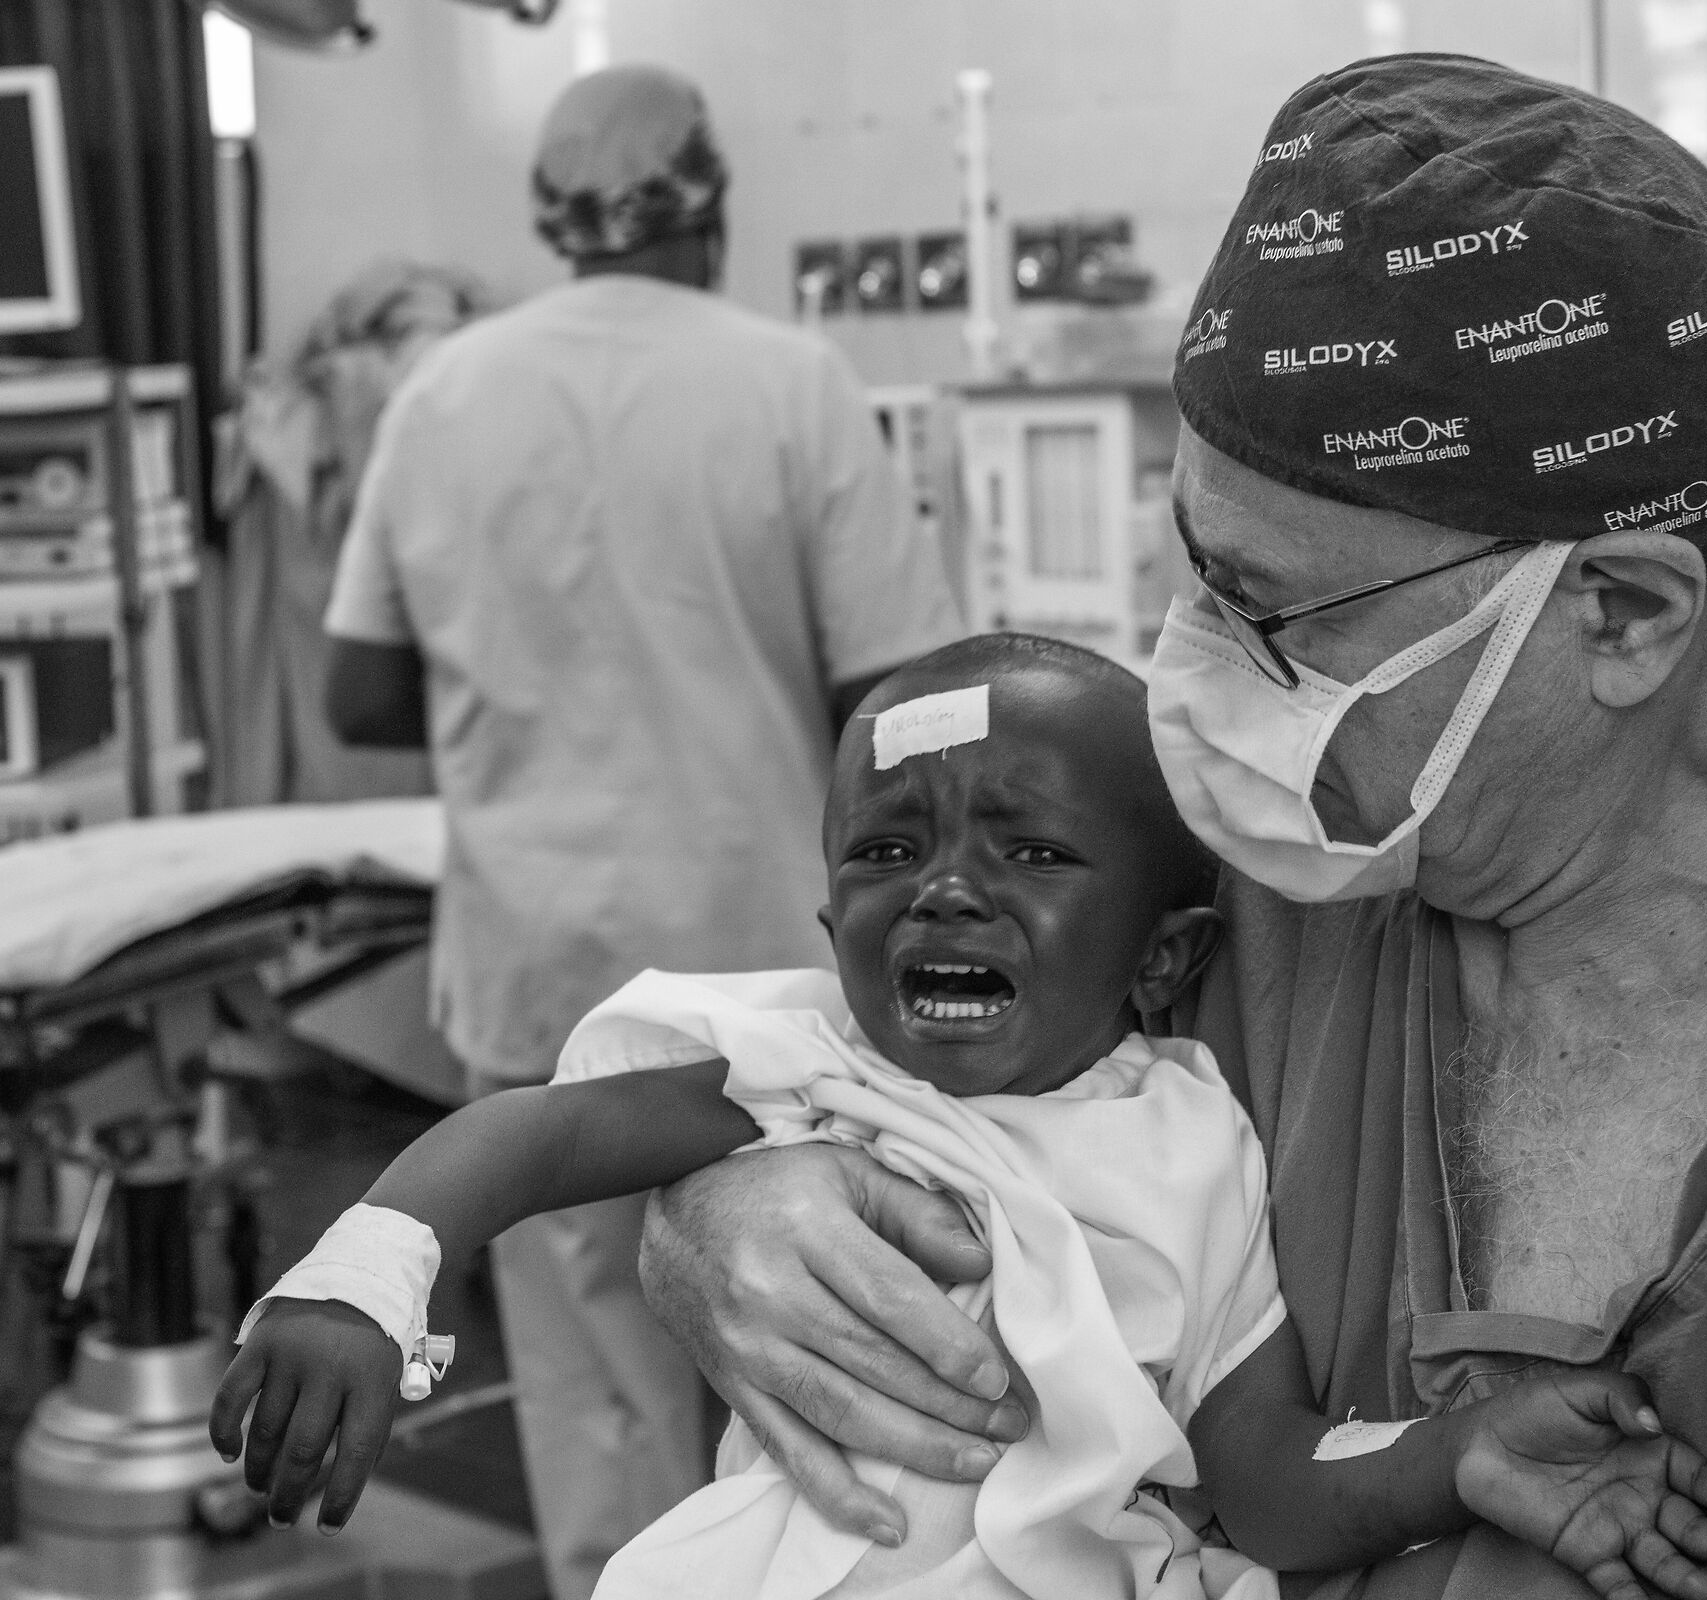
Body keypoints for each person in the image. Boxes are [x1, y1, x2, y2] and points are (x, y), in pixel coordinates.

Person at [636, 55, 1707, 1599]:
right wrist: (729, 1210)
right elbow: (891, 1081)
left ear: (1621, 608)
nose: (1197, 682)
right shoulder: (1271, 865)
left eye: (1274, 616)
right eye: (1195, 578)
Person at [221, 636, 1707, 1600]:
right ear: (828, 931)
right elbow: (533, 1138)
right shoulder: (813, 1075)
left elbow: (1272, 1487)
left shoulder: (1195, 1151)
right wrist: (362, 1277)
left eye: (1028, 854)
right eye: (889, 849)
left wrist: (1468, 1458)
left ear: (1165, 957)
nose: (946, 886)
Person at [317, 63, 961, 1600]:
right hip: (755, 984)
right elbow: (906, 704)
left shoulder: (442, 394)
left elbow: (354, 691)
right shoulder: (788, 382)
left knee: (593, 1359)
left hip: (537, 957)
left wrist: (527, 692)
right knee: (807, 1335)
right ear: (715, 208)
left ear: (550, 222)